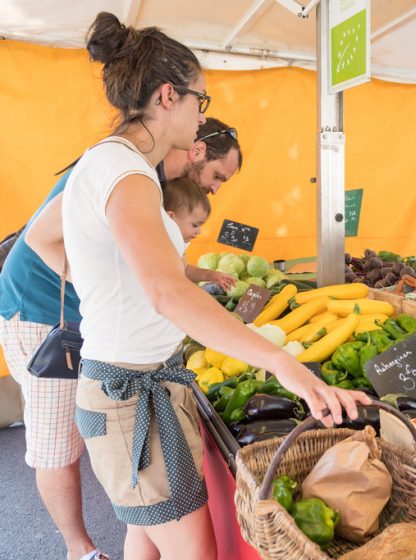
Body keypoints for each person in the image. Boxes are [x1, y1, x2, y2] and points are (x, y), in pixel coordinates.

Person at [51, 12, 368, 559]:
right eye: (203, 100)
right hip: (132, 394)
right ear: (169, 96)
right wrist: (283, 365)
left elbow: (54, 244)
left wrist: (109, 295)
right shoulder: (126, 174)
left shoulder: (112, 164)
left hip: (131, 382)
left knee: (145, 533)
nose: (204, 115)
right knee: (194, 552)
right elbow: (169, 293)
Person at [0, 121, 241, 559]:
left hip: (93, 326)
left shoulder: (151, 182)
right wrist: (98, 291)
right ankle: (80, 550)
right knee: (58, 444)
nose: (216, 189)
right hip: (42, 309)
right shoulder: (119, 168)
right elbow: (39, 237)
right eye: (218, 176)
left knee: (132, 481)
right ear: (196, 150)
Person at [162, 177, 235, 289]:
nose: (199, 231)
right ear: (170, 217)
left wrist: (209, 275)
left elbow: (184, 270)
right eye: (195, 225)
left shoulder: (179, 243)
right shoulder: (161, 245)